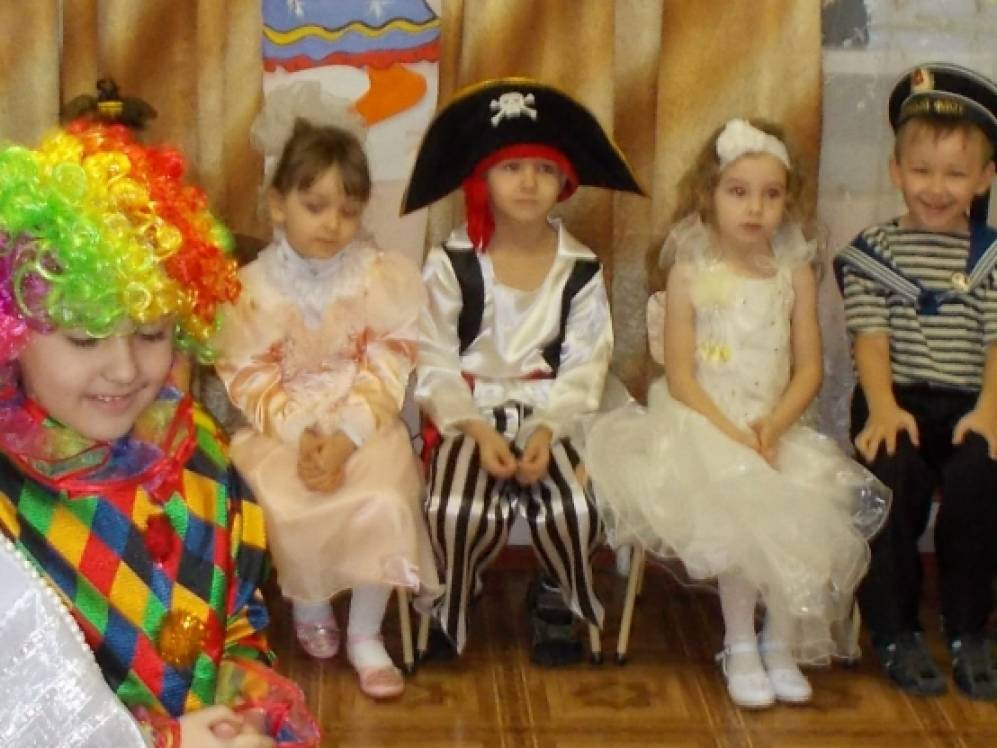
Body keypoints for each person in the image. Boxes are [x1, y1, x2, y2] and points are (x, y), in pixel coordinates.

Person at [0, 121, 318, 746]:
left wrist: (247, 712)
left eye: (150, 333)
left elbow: (238, 619)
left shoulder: (197, 450)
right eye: (85, 338)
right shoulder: (10, 510)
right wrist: (161, 741)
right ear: (13, 332)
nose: (125, 370)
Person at [585, 118, 890, 709]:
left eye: (771, 194)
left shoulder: (794, 272)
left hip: (775, 424)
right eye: (739, 191)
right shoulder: (689, 270)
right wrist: (733, 434)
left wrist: (773, 427)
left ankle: (780, 642)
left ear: (788, 201)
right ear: (710, 194)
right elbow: (680, 376)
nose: (755, 208)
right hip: (700, 421)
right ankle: (740, 643)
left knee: (804, 500)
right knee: (743, 497)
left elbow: (810, 369)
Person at [402, 78, 643, 665]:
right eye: (512, 167)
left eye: (544, 168)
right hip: (469, 414)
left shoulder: (580, 268)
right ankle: (452, 595)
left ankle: (556, 595)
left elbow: (586, 365)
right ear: (482, 178)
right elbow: (434, 358)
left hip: (555, 413)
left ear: (566, 181)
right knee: (454, 507)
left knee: (577, 505)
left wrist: (546, 431)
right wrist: (476, 431)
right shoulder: (452, 263)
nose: (529, 182)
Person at [214, 111, 440, 701]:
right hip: (282, 431)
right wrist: (302, 438)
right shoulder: (251, 289)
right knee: (283, 500)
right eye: (314, 206)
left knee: (385, 496)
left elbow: (388, 362)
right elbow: (247, 373)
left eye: (348, 210)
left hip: (362, 425)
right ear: (277, 204)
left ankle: (366, 632)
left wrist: (345, 437)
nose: (332, 223)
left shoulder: (377, 277)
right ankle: (311, 608)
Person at [834, 62, 997, 700]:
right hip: (895, 398)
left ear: (984, 178)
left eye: (956, 174)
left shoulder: (989, 257)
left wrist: (989, 410)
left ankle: (967, 628)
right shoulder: (874, 253)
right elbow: (870, 339)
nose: (936, 188)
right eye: (922, 170)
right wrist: (881, 407)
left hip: (972, 402)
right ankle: (894, 629)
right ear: (896, 170)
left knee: (980, 476)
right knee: (890, 474)